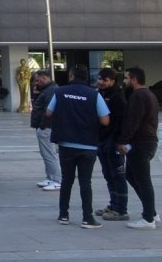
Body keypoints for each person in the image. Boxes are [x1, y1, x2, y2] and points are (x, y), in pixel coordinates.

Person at [46, 64, 110, 229]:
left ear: (71, 76)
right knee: (85, 182)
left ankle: (63, 215)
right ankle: (87, 218)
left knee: (66, 180)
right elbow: (105, 120)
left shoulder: (60, 92)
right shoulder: (94, 95)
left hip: (66, 143)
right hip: (88, 144)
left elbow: (48, 112)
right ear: (87, 77)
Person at [118, 66, 161, 230]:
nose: (124, 81)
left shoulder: (138, 96)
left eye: (126, 78)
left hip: (142, 143)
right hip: (146, 141)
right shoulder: (149, 94)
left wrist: (123, 140)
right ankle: (152, 212)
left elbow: (133, 121)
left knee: (143, 181)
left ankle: (148, 218)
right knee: (131, 175)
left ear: (134, 80)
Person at [94, 68, 129, 220]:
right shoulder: (100, 94)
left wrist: (120, 141)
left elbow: (122, 121)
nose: (101, 82)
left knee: (117, 175)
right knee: (108, 174)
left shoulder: (117, 97)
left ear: (113, 81)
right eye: (99, 79)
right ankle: (113, 204)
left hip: (113, 141)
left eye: (105, 80)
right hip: (102, 140)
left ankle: (121, 209)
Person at [31, 69, 62, 190]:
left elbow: (49, 110)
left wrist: (43, 125)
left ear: (44, 78)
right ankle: (50, 177)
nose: (36, 83)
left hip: (47, 127)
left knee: (49, 154)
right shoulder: (47, 90)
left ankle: (56, 179)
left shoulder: (51, 90)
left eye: (37, 80)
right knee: (46, 154)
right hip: (45, 126)